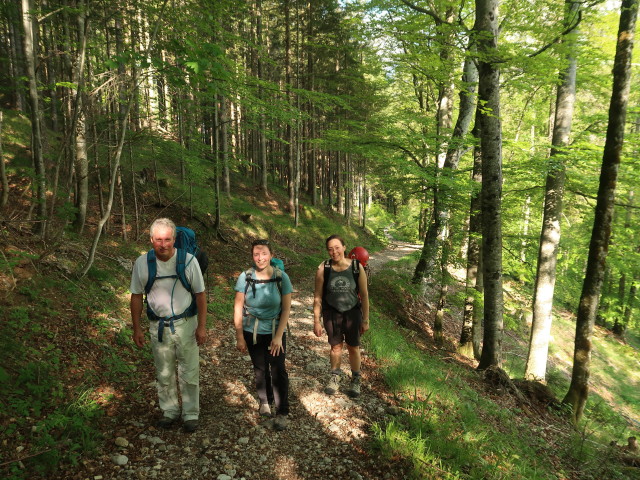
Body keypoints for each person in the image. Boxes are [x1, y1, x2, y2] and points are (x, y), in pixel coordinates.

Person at [130, 218, 207, 433]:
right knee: (163, 372)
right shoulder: (142, 263)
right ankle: (170, 411)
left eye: (167, 239)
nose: (163, 245)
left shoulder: (189, 261)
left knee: (189, 371)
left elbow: (200, 295)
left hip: (186, 324)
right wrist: (136, 328)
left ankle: (191, 413)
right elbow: (136, 296)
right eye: (158, 240)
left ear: (174, 239)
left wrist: (201, 326)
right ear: (151, 239)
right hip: (158, 326)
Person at [234, 239, 293, 431]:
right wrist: (240, 336)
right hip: (252, 330)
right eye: (256, 254)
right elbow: (238, 306)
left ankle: (282, 410)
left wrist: (278, 336)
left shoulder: (281, 277)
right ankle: (265, 401)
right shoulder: (246, 277)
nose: (260, 258)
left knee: (278, 368)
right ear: (252, 256)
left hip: (275, 328)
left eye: (264, 253)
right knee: (260, 367)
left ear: (271, 255)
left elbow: (286, 309)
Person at [313, 234, 370, 398]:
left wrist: (366, 319)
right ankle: (335, 377)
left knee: (353, 347)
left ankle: (356, 379)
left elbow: (365, 295)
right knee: (335, 347)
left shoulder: (356, 267)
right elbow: (317, 296)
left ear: (344, 248)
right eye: (330, 249)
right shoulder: (324, 268)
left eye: (337, 247)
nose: (334, 251)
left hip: (353, 312)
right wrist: (316, 321)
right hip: (331, 312)